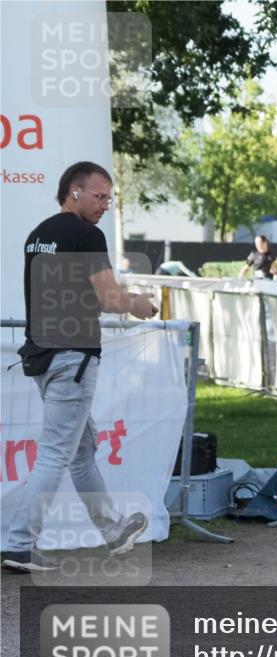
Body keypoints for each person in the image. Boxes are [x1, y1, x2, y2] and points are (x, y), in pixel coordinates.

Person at [3, 161, 157, 573]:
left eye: (109, 197)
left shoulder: (39, 236)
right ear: (74, 191)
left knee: (81, 452)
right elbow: (109, 298)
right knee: (55, 456)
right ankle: (18, 544)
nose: (105, 204)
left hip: (43, 355)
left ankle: (112, 530)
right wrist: (138, 304)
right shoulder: (86, 233)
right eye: (99, 195)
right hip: (73, 357)